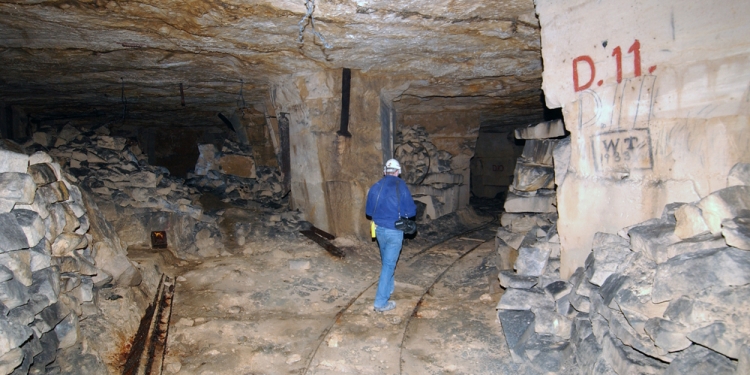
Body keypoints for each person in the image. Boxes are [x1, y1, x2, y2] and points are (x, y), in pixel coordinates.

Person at [365, 158, 417, 312]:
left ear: (384, 172)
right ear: (398, 172)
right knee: (388, 265)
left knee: (386, 261)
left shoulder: (376, 187)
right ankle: (380, 303)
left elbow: (368, 212)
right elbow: (411, 211)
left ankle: (389, 287)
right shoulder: (400, 186)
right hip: (394, 231)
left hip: (379, 229)